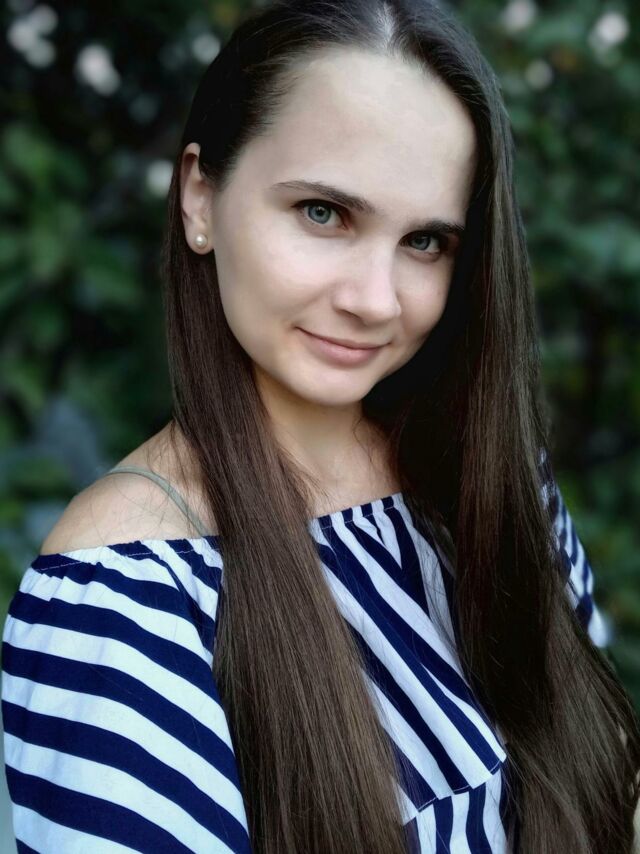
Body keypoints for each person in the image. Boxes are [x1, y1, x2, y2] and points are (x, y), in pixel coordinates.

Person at [2, 0, 639, 851]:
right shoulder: (125, 591)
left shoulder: (493, 480)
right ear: (200, 196)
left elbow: (611, 784)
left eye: (425, 242)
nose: (374, 300)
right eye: (323, 213)